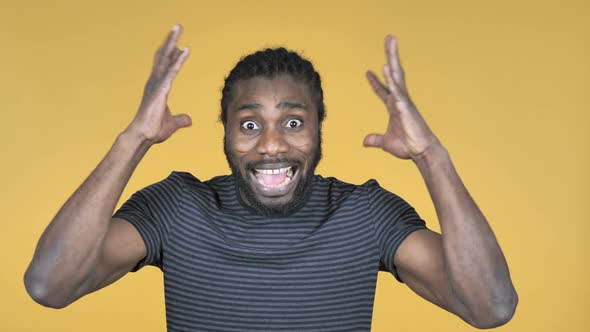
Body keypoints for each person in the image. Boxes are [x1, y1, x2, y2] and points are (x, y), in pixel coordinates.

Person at [24, 24, 518, 331]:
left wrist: (431, 155)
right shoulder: (176, 209)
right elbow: (50, 285)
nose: (272, 143)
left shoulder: (367, 214)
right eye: (250, 124)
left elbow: (490, 306)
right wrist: (133, 139)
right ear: (226, 133)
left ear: (320, 128)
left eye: (294, 122)